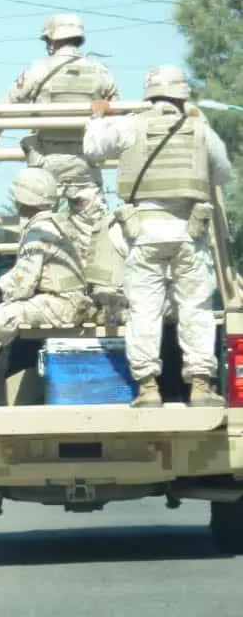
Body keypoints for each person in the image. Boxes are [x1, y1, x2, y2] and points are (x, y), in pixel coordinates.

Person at [83, 64, 233, 407]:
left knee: (144, 310)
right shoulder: (199, 129)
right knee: (195, 308)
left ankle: (148, 388)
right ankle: (199, 386)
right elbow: (222, 173)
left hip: (144, 233)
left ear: (149, 93)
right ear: (183, 95)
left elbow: (92, 148)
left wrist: (97, 115)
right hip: (188, 232)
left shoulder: (132, 124)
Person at [0, 167, 93, 411]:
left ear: (24, 199)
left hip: (58, 305)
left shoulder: (38, 231)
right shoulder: (64, 226)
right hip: (74, 303)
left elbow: (23, 282)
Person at [0, 13, 120, 265]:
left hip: (45, 162)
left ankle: (35, 279)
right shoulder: (100, 72)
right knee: (94, 238)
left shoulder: (38, 70)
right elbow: (117, 114)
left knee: (37, 231)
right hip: (85, 163)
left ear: (51, 42)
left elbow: (7, 105)